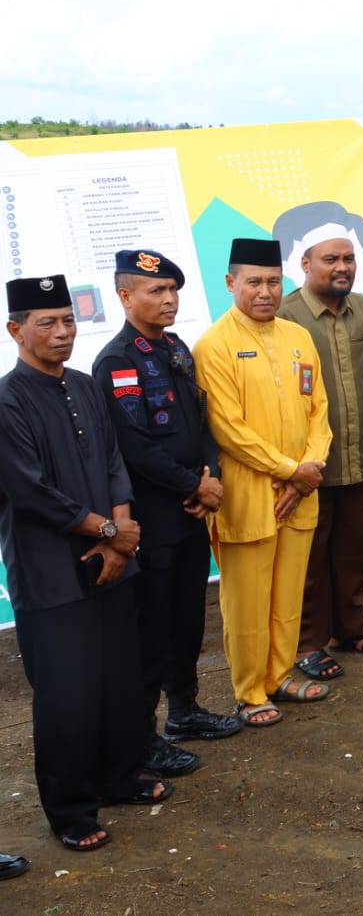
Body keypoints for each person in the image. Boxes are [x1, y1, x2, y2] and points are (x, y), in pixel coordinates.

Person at [0, 275, 172, 852]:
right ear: (15, 330)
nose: (61, 332)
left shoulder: (84, 385)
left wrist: (119, 536)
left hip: (113, 563)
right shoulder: (8, 400)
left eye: (68, 320)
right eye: (45, 323)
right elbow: (30, 492)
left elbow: (114, 463)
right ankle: (71, 809)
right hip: (50, 573)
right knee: (67, 696)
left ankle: (119, 778)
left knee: (119, 680)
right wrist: (106, 530)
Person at [93, 250, 239, 781]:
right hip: (153, 519)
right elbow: (132, 446)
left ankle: (185, 711)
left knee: (186, 618)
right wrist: (192, 484)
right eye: (156, 291)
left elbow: (201, 423)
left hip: (191, 511)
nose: (169, 299)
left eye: (173, 290)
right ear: (125, 296)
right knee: (150, 628)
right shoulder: (115, 362)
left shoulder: (176, 348)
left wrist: (210, 479)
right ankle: (146, 736)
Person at [193, 238, 332, 726]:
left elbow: (319, 411)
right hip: (249, 497)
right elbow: (227, 429)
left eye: (273, 281)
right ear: (231, 283)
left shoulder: (298, 337)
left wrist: (308, 471)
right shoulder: (213, 346)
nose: (265, 292)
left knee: (289, 594)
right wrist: (289, 471)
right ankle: (250, 690)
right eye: (253, 282)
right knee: (248, 601)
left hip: (300, 494)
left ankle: (282, 673)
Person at [278, 233, 363, 680]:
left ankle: (351, 631)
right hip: (309, 466)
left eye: (348, 258)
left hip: (358, 456)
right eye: (330, 259)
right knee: (309, 559)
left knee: (352, 551)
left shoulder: (362, 309)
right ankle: (309, 643)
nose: (341, 266)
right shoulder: (286, 315)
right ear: (306, 264)